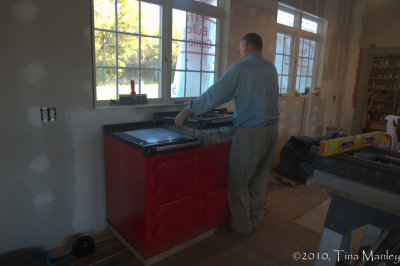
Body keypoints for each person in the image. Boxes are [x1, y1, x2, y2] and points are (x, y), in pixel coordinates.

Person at [175, 33, 279, 236]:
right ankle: (255, 220)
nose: (240, 52)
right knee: (260, 177)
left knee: (239, 180)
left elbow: (215, 94)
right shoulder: (271, 68)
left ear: (245, 45)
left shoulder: (241, 68)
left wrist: (187, 111)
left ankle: (242, 227)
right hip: (272, 131)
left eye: (240, 48)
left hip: (251, 133)